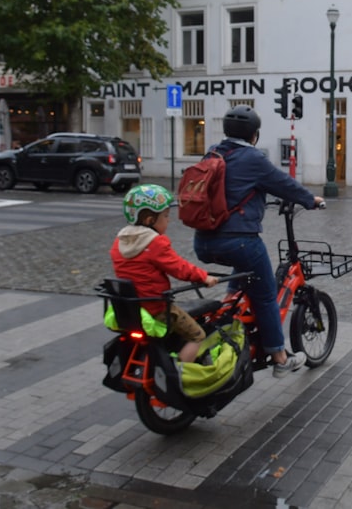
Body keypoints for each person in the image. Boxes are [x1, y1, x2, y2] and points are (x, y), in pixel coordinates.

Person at [193, 105, 324, 377]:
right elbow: (283, 183)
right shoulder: (252, 158)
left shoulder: (213, 153)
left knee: (244, 271)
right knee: (265, 295)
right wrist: (311, 200)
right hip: (238, 241)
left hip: (203, 242)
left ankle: (230, 310)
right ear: (254, 134)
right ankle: (279, 356)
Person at [111, 183, 218, 363]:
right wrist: (204, 277)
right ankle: (180, 374)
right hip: (156, 308)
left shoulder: (119, 242)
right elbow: (179, 268)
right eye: (166, 216)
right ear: (149, 220)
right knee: (197, 335)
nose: (168, 220)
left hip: (130, 309)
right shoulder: (154, 242)